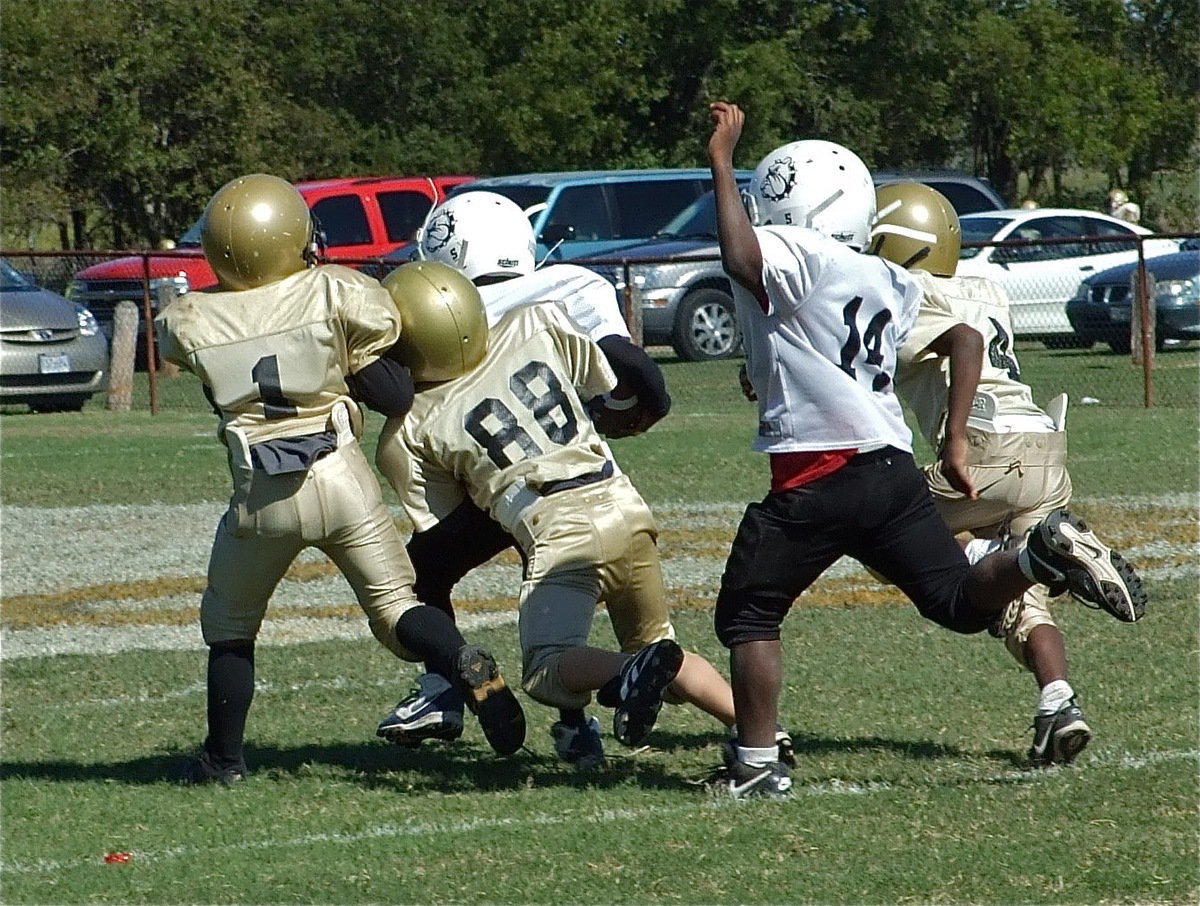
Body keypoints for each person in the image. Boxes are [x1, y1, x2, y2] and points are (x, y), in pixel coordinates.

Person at [705, 101, 1147, 799]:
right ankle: (1037, 554)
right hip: (887, 467)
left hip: (818, 470)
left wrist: (722, 161)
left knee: (749, 613)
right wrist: (948, 439)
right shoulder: (884, 277)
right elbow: (871, 345)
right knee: (957, 603)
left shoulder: (797, 250)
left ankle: (757, 765)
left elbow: (739, 255)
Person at [375, 192, 785, 770]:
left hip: (534, 509)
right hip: (615, 492)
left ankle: (448, 690)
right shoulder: (545, 310)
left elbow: (442, 515)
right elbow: (627, 374)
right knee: (655, 646)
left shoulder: (411, 419)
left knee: (530, 647)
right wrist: (637, 410)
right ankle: (763, 734)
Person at [157, 174, 526, 784]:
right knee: (397, 609)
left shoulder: (193, 319)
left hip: (261, 492)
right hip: (340, 477)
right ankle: (457, 658)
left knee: (229, 631)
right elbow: (395, 392)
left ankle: (223, 761)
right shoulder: (335, 292)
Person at [869, 181, 1145, 767]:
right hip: (1045, 445)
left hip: (986, 446)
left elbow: (870, 361)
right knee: (1023, 593)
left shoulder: (900, 290)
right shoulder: (985, 286)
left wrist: (955, 437)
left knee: (867, 520)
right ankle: (1058, 704)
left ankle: (994, 555)